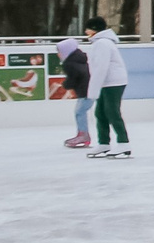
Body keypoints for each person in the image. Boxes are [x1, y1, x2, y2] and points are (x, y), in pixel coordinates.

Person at [81, 16, 130, 159]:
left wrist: (93, 90)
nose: (85, 31)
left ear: (95, 29)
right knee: (100, 113)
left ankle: (123, 142)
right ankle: (104, 142)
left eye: (88, 28)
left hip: (113, 82)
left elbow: (101, 68)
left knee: (112, 112)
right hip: (107, 82)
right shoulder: (100, 43)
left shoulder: (102, 43)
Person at [56, 35, 91, 149]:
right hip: (88, 90)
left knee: (80, 112)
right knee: (80, 111)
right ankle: (82, 133)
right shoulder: (79, 59)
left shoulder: (69, 63)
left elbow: (74, 77)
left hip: (85, 92)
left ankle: (83, 135)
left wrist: (66, 84)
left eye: (59, 52)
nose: (58, 55)